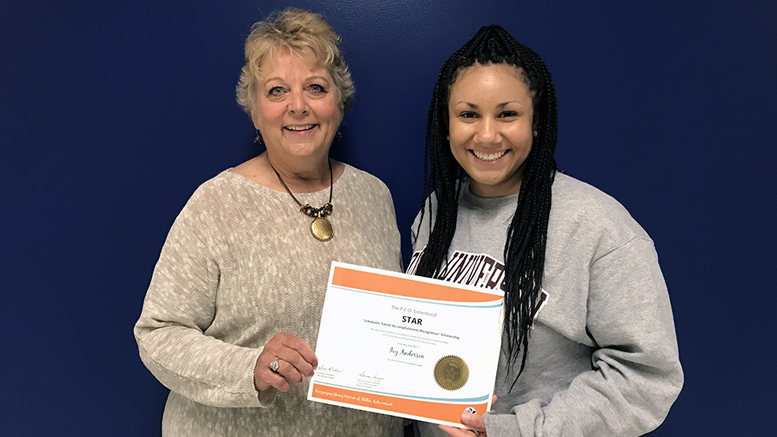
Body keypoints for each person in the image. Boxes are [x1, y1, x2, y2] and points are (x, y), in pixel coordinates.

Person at [134, 8, 403, 436]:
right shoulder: (215, 204)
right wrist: (248, 367)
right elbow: (158, 334)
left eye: (315, 87)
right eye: (277, 91)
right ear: (256, 113)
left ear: (339, 102)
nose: (298, 105)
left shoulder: (375, 196)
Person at [407, 25, 683, 436]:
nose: (486, 134)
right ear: (446, 126)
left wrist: (514, 430)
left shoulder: (597, 226)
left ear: (536, 123)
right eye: (468, 114)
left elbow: (645, 379)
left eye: (507, 114)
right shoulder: (435, 212)